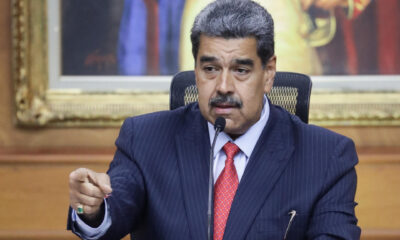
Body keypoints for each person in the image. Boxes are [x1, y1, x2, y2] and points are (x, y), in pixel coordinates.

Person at [67, 0, 361, 239]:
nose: (223, 86)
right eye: (210, 68)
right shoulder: (144, 139)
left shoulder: (326, 158)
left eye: (241, 70)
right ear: (195, 68)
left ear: (269, 72)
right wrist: (89, 208)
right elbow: (109, 215)